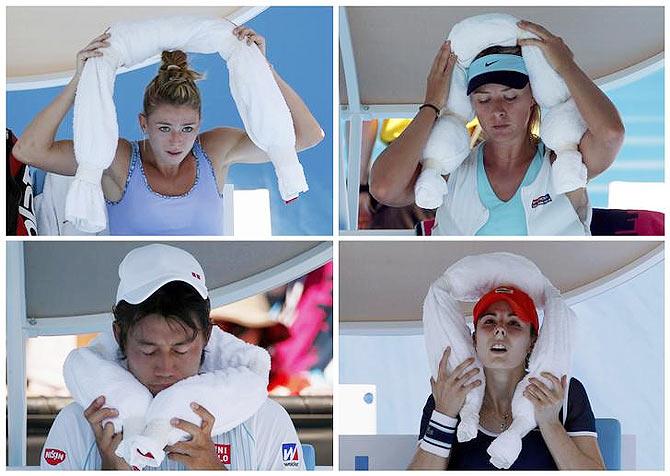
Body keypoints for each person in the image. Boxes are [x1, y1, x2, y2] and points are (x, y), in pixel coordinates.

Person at [13, 26, 324, 235]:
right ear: (143, 124)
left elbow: (309, 135)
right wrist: (79, 80)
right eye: (164, 127)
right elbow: (28, 151)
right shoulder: (118, 158)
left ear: (199, 125)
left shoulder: (214, 150)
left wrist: (261, 68)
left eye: (187, 128)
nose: (177, 140)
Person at [41, 244, 305, 470]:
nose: (165, 368)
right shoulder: (79, 422)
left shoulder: (261, 418)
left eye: (181, 349)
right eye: (148, 350)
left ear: (207, 336)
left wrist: (214, 470)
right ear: (119, 335)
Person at [370, 20, 624, 235]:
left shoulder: (564, 164)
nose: (498, 110)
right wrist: (432, 105)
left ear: (534, 95)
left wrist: (566, 66)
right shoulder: (452, 170)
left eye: (511, 96)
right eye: (483, 99)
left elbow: (611, 134)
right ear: (471, 105)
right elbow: (384, 188)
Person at [409, 286, 604, 470]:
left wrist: (550, 423)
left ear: (532, 341)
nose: (500, 329)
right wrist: (444, 414)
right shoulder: (447, 395)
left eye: (514, 323)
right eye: (489, 321)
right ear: (474, 338)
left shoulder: (562, 392)